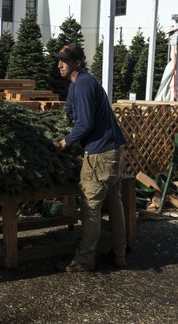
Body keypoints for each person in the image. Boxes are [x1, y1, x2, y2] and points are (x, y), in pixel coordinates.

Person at [54, 44, 127, 272]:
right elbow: (74, 111)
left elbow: (85, 123)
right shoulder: (80, 84)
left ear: (77, 63)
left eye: (64, 61)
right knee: (115, 203)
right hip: (113, 151)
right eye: (59, 60)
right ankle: (120, 253)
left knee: (91, 206)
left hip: (100, 155)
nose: (59, 65)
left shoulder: (84, 84)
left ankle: (85, 260)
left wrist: (67, 141)